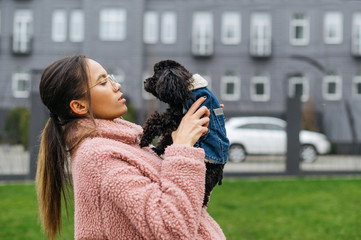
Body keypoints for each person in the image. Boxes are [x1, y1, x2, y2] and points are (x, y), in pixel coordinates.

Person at [35, 55, 226, 240]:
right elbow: (172, 230)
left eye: (110, 77)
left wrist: (199, 143)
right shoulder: (98, 157)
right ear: (79, 106)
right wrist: (183, 148)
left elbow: (185, 203)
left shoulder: (124, 144)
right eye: (102, 83)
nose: (116, 86)